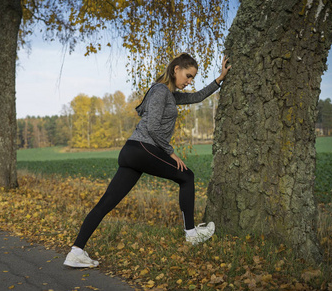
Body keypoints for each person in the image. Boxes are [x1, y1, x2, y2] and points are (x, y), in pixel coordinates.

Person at [64, 53, 231, 268]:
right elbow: (152, 127)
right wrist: (171, 152)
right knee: (187, 176)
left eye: (192, 78)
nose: (189, 81)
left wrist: (220, 78)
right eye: (188, 76)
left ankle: (75, 252)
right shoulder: (161, 91)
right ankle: (191, 233)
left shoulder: (169, 94)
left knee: (107, 202)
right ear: (176, 69)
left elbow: (196, 97)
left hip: (132, 152)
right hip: (143, 148)